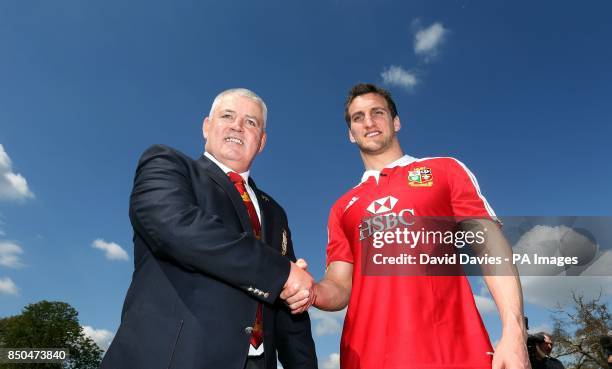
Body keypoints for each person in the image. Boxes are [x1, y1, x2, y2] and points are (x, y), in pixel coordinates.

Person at [286, 83, 530, 369]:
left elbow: (491, 249)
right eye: (358, 117)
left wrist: (514, 332)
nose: (369, 122)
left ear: (396, 121)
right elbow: (340, 285)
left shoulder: (445, 170)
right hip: (367, 358)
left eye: (378, 112)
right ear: (351, 135)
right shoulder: (342, 207)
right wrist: (311, 291)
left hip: (453, 353)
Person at [101, 88, 317, 369]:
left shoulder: (275, 212)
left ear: (261, 141)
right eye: (227, 116)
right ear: (207, 126)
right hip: (173, 357)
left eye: (251, 122)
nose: (237, 126)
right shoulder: (167, 165)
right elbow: (177, 228)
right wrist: (283, 272)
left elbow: (289, 306)